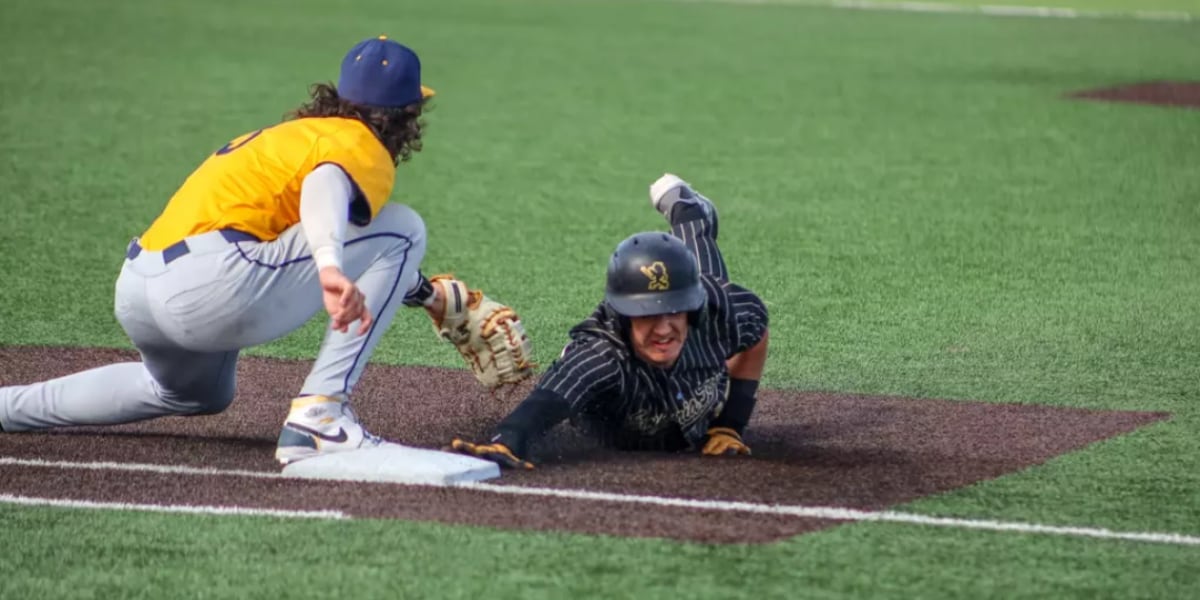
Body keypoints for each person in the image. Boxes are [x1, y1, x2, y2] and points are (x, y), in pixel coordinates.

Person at [0, 36, 467, 465]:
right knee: (404, 228)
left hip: (139, 288)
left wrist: (426, 295)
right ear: (406, 115)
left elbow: (339, 234)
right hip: (212, 288)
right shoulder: (359, 144)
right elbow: (326, 189)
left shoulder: (286, 136)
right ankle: (321, 417)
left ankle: (8, 407)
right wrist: (328, 265)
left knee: (191, 394)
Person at [451, 174, 770, 468]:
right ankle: (689, 213)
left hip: (702, 298)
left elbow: (758, 330)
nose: (662, 328)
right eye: (646, 314)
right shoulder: (601, 357)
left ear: (692, 307)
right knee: (686, 276)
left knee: (697, 274)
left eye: (675, 310)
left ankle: (688, 212)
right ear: (623, 315)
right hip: (606, 412)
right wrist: (507, 443)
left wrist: (730, 423)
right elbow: (542, 405)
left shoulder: (714, 312)